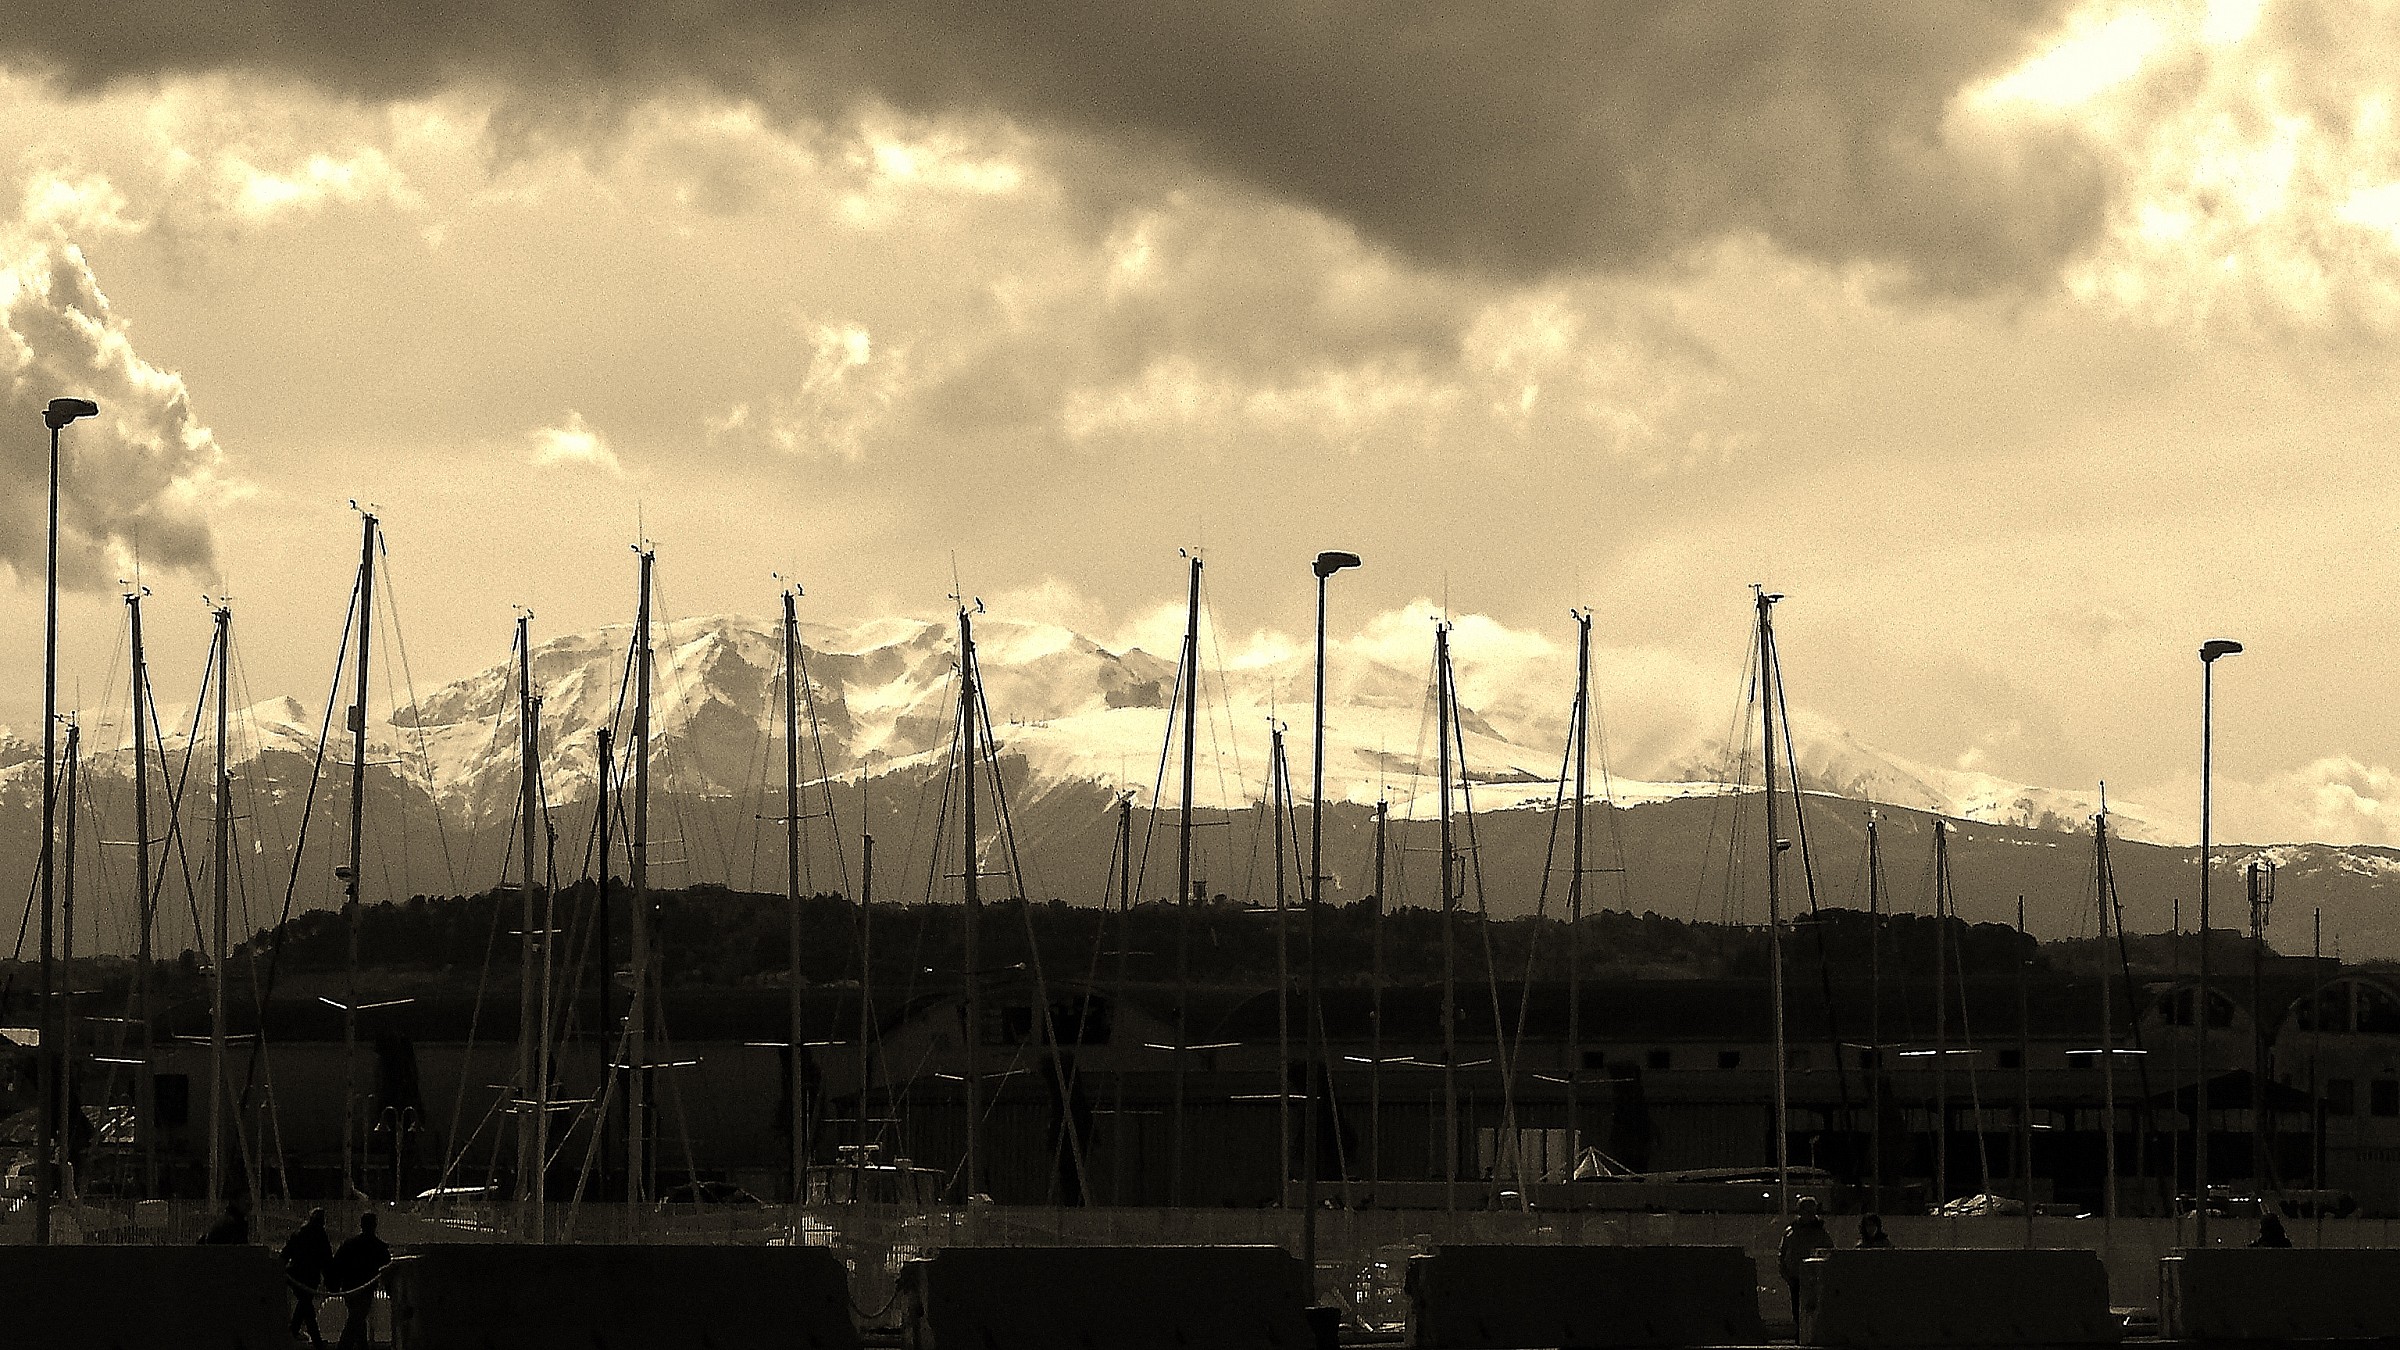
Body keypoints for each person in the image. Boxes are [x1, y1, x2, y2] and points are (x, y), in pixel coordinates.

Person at [331, 1211, 391, 1350]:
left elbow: (337, 1264)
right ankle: (345, 1346)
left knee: (356, 1318)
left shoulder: (349, 1244)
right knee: (357, 1319)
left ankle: (360, 1346)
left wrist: (335, 1283)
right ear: (375, 1225)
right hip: (366, 1289)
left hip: (349, 1287)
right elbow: (387, 1268)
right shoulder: (379, 1247)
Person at [281, 1208, 334, 1348]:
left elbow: (286, 1253)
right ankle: (314, 1340)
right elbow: (326, 1260)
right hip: (310, 1278)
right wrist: (330, 1280)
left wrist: (279, 1268)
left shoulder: (300, 1233)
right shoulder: (320, 1235)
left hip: (295, 1275)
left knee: (304, 1306)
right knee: (306, 1307)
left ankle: (293, 1331)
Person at [1777, 1196, 1834, 1324]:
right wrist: (1786, 1274)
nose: (1810, 1215)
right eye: (1806, 1211)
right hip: (1796, 1277)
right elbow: (1782, 1254)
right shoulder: (1791, 1232)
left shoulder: (1821, 1233)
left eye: (1812, 1211)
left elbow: (1829, 1253)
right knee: (1797, 1309)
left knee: (1814, 1309)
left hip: (1815, 1278)